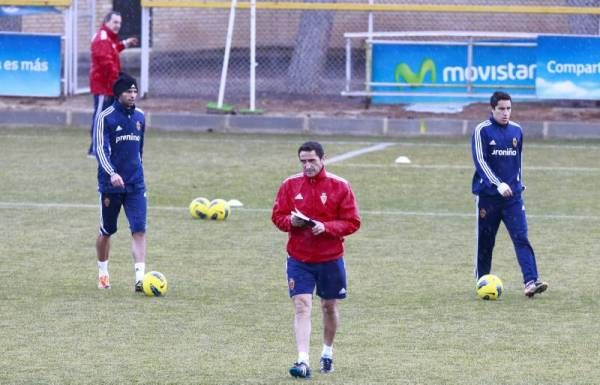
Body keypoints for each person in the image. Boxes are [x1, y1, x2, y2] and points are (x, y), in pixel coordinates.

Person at [272, 141, 361, 378]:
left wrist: (327, 227)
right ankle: (302, 361)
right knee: (302, 304)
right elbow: (277, 216)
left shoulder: (340, 186)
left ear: (323, 159)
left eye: (312, 161)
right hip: (299, 258)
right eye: (303, 161)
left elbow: (352, 222)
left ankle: (327, 353)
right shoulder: (290, 185)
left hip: (330, 258)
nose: (307, 166)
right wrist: (291, 222)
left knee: (328, 306)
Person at [471, 91, 548, 298]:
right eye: (501, 109)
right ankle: (482, 281)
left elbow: (518, 161)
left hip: (513, 198)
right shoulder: (482, 131)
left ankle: (531, 281)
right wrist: (498, 184)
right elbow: (480, 163)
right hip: (489, 197)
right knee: (486, 242)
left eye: (509, 109)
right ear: (492, 109)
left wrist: (518, 183)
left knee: (521, 237)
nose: (506, 113)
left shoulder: (517, 130)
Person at [94, 73, 147, 292]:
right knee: (106, 231)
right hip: (111, 185)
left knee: (139, 229)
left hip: (136, 184)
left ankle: (140, 279)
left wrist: (138, 170)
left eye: (135, 91)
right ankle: (103, 272)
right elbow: (100, 149)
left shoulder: (141, 117)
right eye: (129, 92)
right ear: (119, 94)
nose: (133, 95)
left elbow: (139, 150)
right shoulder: (106, 117)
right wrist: (112, 173)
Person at [88, 11, 138, 157]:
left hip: (109, 85)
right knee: (100, 117)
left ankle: (102, 147)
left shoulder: (108, 38)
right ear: (107, 22)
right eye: (115, 22)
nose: (118, 26)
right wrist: (117, 81)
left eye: (119, 23)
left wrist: (125, 43)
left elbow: (113, 50)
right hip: (103, 86)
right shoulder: (102, 38)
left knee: (107, 117)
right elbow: (106, 62)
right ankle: (95, 149)